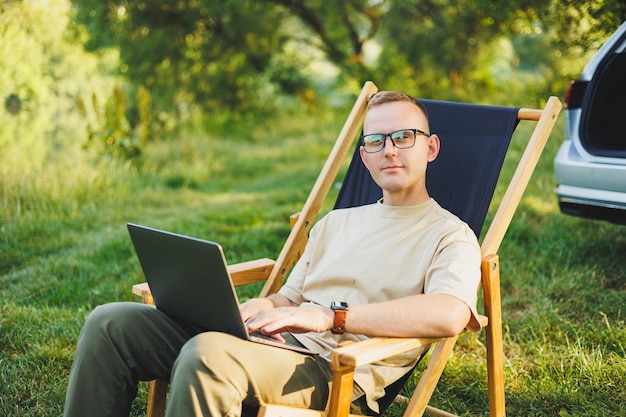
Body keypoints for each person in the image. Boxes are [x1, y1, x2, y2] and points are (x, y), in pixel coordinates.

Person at [63, 91, 481, 417]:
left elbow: (449, 314)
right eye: (376, 140)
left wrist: (331, 318)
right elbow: (290, 298)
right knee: (110, 323)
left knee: (207, 355)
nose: (390, 149)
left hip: (332, 370)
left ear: (430, 148)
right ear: (364, 156)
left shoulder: (449, 235)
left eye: (404, 137)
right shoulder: (336, 223)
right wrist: (259, 308)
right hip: (277, 346)